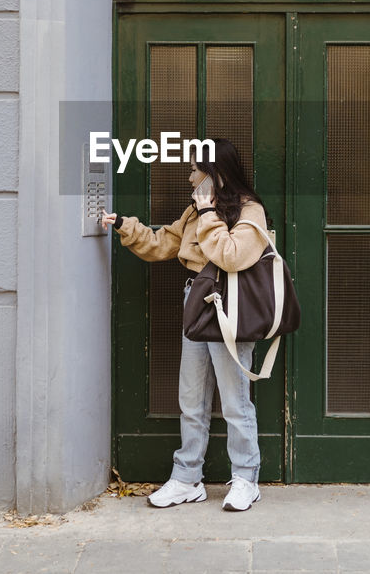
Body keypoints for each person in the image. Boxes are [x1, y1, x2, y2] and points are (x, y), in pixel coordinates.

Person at [100, 138, 267, 512]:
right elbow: (164, 243)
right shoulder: (194, 213)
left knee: (235, 400)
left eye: (195, 170)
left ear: (215, 174)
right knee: (191, 399)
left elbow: (232, 255)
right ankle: (187, 477)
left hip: (231, 310)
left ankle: (246, 478)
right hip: (197, 306)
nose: (190, 178)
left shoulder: (250, 212)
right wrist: (126, 226)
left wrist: (208, 213)